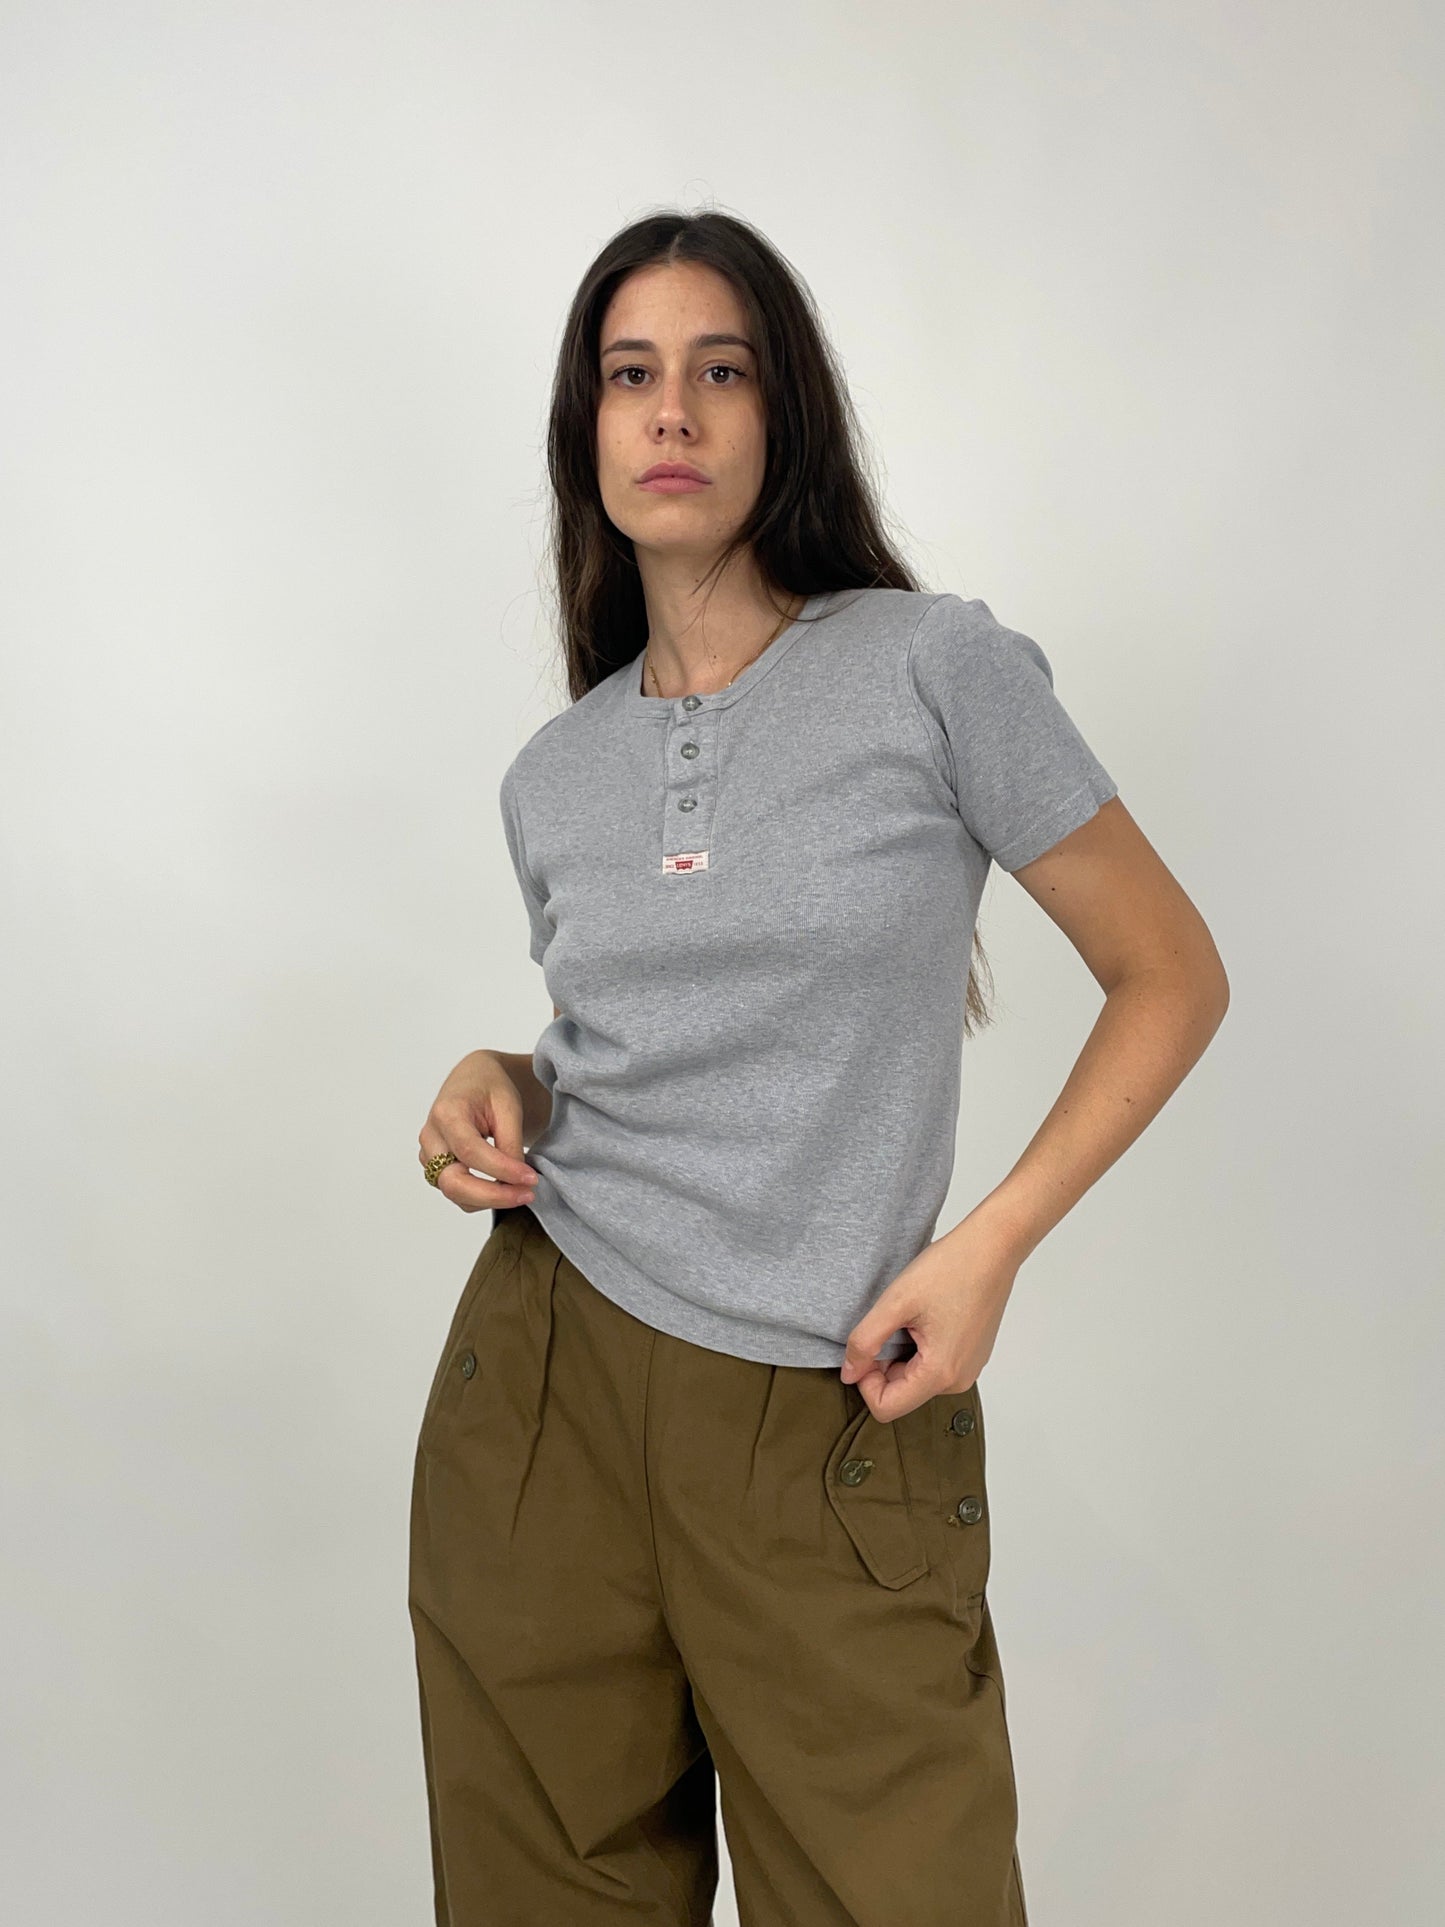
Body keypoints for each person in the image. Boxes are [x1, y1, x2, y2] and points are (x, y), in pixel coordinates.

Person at [410, 208, 1229, 1927]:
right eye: (629, 376)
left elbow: (1168, 974)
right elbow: (623, 1047)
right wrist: (505, 1076)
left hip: (828, 1402)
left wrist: (987, 1247)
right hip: (543, 1388)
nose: (672, 411)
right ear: (583, 429)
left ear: (784, 413)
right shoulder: (554, 772)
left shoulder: (932, 669)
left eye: (721, 371)